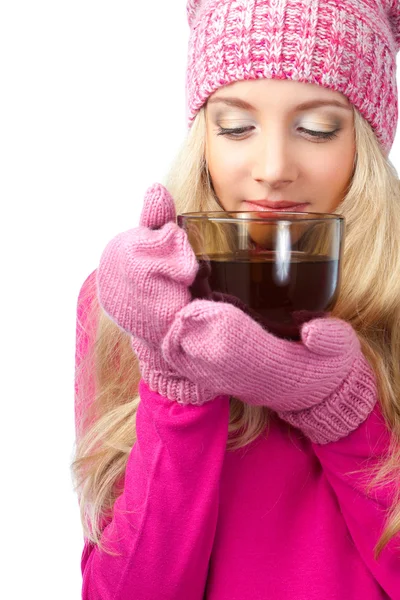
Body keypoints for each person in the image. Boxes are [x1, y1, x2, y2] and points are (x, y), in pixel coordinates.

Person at [71, 0, 400, 598]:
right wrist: (173, 384)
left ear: (368, 141)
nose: (273, 169)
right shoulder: (127, 305)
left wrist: (347, 414)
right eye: (235, 126)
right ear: (203, 137)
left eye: (317, 128)